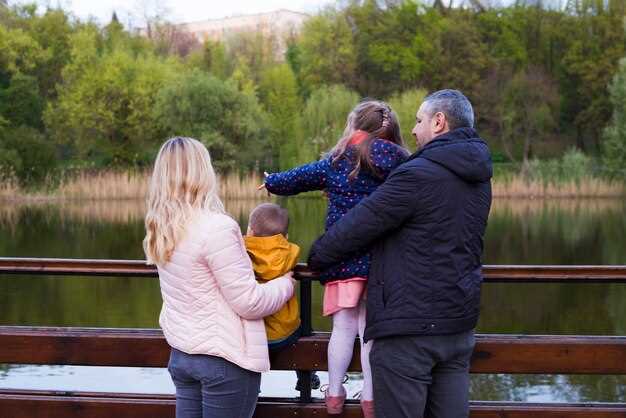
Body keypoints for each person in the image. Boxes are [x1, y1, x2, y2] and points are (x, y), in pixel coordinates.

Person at [308, 90, 493, 418]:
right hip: (458, 327)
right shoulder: (480, 178)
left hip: (409, 332)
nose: (412, 130)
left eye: (419, 121)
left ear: (439, 122)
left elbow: (359, 225)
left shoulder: (416, 174)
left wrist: (318, 258)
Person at [261, 100, 409, 417]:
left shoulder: (339, 160)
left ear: (355, 127)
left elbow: (300, 177)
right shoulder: (401, 162)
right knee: (371, 333)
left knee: (342, 329)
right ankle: (370, 399)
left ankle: (334, 395)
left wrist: (272, 181)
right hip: (381, 263)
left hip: (342, 259)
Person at [143, 137, 295, 418]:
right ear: (203, 172)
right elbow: (249, 302)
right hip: (224, 361)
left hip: (183, 356)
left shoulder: (161, 228)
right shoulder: (217, 228)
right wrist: (285, 283)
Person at [243, 202, 320, 391]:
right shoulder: (289, 254)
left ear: (250, 230)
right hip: (285, 333)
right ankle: (306, 377)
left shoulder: (241, 252)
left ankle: (253, 386)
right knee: (303, 327)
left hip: (252, 336)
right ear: (285, 237)